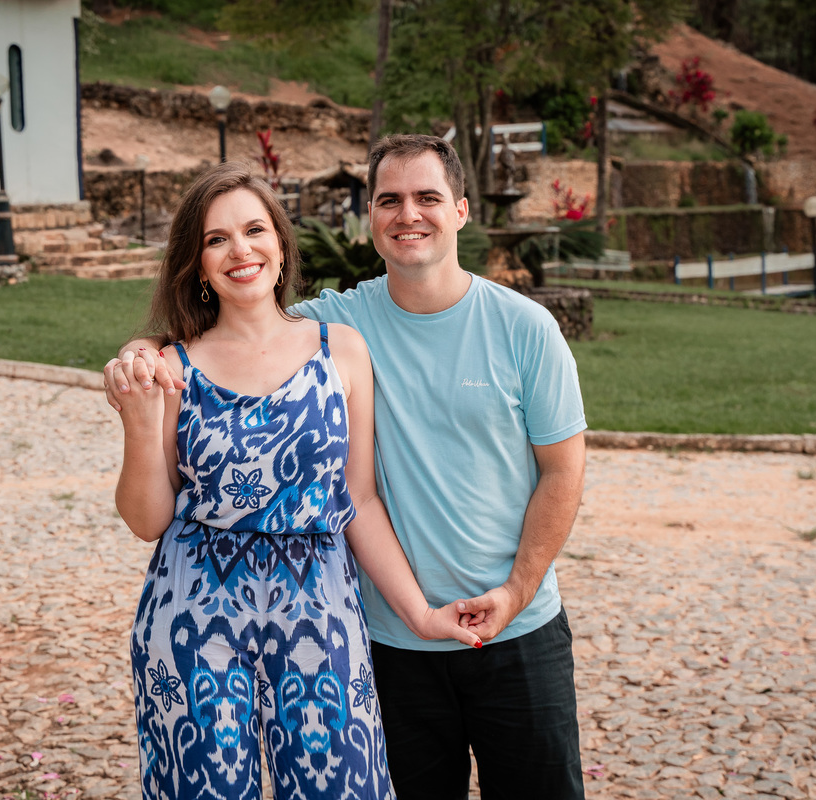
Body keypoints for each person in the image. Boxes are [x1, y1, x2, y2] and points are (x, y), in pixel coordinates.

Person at [107, 134, 588, 800]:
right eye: (389, 199)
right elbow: (233, 330)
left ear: (462, 210)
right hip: (342, 632)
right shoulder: (320, 329)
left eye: (427, 197)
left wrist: (514, 590)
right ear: (371, 216)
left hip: (493, 623)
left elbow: (560, 475)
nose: (408, 214)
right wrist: (141, 361)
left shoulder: (513, 329)